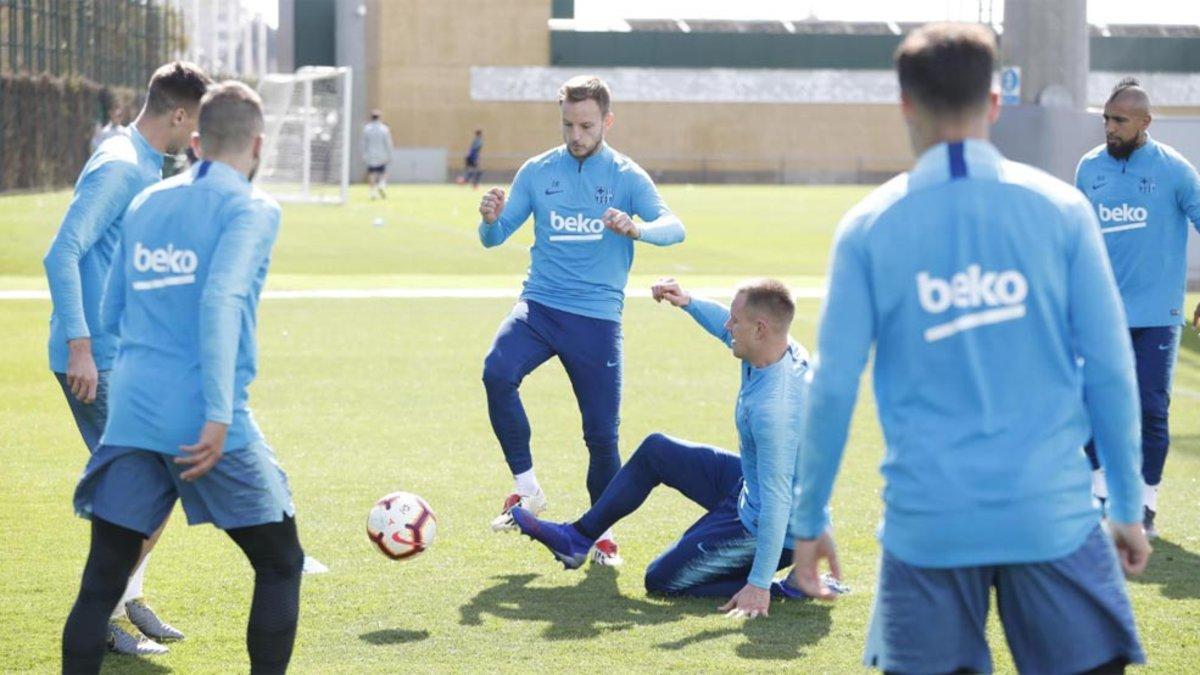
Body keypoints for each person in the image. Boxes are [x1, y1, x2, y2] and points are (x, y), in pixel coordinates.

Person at [788, 23, 1149, 674]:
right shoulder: (1062, 210)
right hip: (1052, 516)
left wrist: (809, 517)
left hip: (928, 526)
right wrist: (1125, 505)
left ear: (904, 104)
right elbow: (1111, 370)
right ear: (993, 102)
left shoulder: (868, 227)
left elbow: (833, 385)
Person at [61, 81, 303, 674]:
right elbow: (220, 302)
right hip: (203, 419)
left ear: (197, 141)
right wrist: (218, 415)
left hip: (134, 415)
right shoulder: (254, 208)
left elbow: (112, 308)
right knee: (279, 563)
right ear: (258, 145)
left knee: (102, 582)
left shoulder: (147, 201)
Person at [514, 279, 843, 616]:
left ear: (760, 329)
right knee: (658, 450)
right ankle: (578, 538)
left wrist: (759, 584)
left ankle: (793, 584)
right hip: (750, 485)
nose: (729, 326)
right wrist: (687, 301)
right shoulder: (774, 347)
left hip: (774, 524)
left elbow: (777, 503)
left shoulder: (776, 408)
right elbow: (722, 327)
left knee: (661, 579)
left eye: (736, 321)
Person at [478, 75, 685, 566]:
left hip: (596, 319)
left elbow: (674, 228)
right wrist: (489, 219)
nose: (576, 135)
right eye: (568, 124)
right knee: (497, 372)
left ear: (607, 122)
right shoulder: (537, 170)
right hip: (540, 308)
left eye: (587, 125)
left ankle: (602, 533)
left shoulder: (627, 176)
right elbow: (495, 237)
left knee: (600, 437)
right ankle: (527, 491)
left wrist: (639, 228)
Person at [44, 60, 211, 657]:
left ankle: (125, 598)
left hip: (129, 358)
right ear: (179, 115)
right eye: (198, 123)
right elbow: (61, 253)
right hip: (96, 361)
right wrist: (80, 348)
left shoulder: (145, 162)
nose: (199, 136)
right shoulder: (119, 166)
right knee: (139, 491)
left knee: (162, 481)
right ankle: (104, 619)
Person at [1075, 77, 1200, 538]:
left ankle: (1146, 503)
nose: (1110, 128)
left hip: (1156, 317)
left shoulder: (1175, 170)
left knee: (1151, 409)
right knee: (1091, 404)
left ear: (1145, 122)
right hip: (1099, 313)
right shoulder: (1089, 168)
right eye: (1106, 119)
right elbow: (1078, 240)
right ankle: (1099, 494)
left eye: (1119, 121)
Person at [362, 110, 393, 199]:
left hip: (370, 154)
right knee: (383, 172)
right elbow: (388, 143)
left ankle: (372, 193)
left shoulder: (367, 129)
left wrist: (364, 154)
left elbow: (364, 143)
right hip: (382, 154)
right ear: (379, 117)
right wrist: (390, 155)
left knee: (372, 173)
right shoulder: (384, 129)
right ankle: (381, 185)